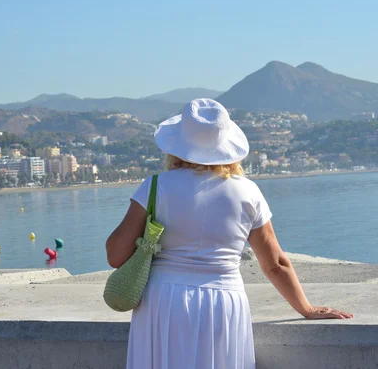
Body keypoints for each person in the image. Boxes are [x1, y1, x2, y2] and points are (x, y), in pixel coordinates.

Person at [105, 98, 353, 369]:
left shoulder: (155, 187)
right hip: (224, 302)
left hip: (164, 303)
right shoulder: (247, 192)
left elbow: (116, 255)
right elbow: (275, 264)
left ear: (176, 146)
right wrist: (307, 308)